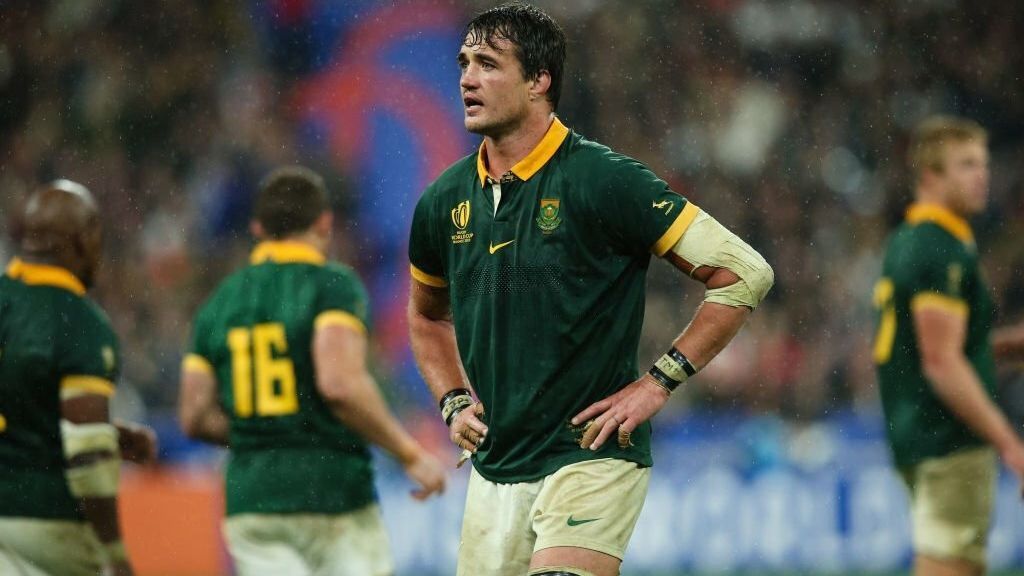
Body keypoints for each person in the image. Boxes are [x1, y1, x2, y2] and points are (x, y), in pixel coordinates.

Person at [406, 4, 774, 575]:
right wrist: (453, 401)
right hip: (496, 469)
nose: (467, 79)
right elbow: (427, 316)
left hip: (591, 454)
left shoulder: (604, 180)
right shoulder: (443, 201)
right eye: (464, 63)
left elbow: (744, 272)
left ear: (539, 80)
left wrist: (657, 383)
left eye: (488, 64)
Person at [179, 165, 446, 576]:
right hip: (331, 491)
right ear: (324, 223)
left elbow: (193, 415)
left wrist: (261, 435)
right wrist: (408, 453)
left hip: (253, 500)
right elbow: (339, 385)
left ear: (257, 228)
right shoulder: (331, 286)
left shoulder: (220, 302)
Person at [873, 115, 1024, 576]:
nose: (982, 175)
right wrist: (1010, 444)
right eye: (966, 164)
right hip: (947, 436)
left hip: (922, 431)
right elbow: (940, 362)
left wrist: (1002, 347)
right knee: (948, 566)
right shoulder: (939, 247)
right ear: (930, 176)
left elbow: (929, 348)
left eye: (983, 163)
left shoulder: (913, 239)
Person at [0, 180, 157, 576]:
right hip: (42, 519)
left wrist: (110, 434)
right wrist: (115, 552)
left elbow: (19, 407)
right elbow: (87, 456)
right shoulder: (77, 322)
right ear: (84, 240)